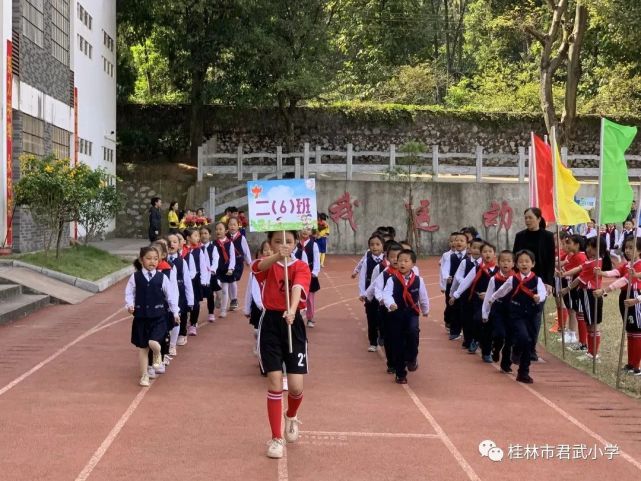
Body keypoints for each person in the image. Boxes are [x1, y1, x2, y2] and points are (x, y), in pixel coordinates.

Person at [252, 231, 311, 459]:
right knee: (275, 382)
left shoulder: (301, 266)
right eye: (278, 241)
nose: (284, 245)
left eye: (288, 241)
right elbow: (257, 268)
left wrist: (293, 310)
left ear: (295, 242)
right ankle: (276, 438)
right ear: (270, 243)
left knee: (295, 387)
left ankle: (291, 415)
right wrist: (277, 256)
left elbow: (297, 287)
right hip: (270, 325)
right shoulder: (268, 264)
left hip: (292, 323)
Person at [486, 249, 547, 383]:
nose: (524, 264)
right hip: (516, 314)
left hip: (530, 314)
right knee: (522, 337)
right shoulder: (512, 279)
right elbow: (502, 290)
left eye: (527, 261)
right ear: (517, 265)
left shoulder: (537, 280)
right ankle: (515, 352)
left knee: (529, 342)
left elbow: (543, 293)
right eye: (521, 262)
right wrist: (492, 298)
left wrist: (539, 297)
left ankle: (523, 372)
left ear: (533, 264)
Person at [125, 246, 179, 387]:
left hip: (159, 317)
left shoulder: (162, 277)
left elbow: (171, 296)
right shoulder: (135, 277)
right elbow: (129, 293)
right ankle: (144, 376)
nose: (152, 261)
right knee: (142, 348)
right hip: (141, 316)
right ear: (141, 260)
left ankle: (157, 354)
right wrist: (129, 305)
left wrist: (175, 312)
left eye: (155, 259)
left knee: (154, 343)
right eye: (148, 258)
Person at [512, 208, 555, 361]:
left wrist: (549, 282)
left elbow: (551, 261)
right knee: (519, 313)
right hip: (521, 280)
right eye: (526, 218)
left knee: (535, 315)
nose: (527, 220)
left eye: (530, 217)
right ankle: (518, 347)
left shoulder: (548, 236)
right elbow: (514, 258)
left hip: (540, 281)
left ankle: (531, 349)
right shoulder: (520, 236)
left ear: (538, 218)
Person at [382, 249, 429, 384]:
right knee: (397, 342)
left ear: (413, 264)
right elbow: (387, 294)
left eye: (406, 261)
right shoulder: (392, 279)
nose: (401, 263)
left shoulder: (419, 280)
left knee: (413, 333)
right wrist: (390, 304)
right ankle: (400, 373)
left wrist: (425, 310)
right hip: (396, 314)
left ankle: (412, 357)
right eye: (400, 260)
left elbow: (423, 297)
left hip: (412, 313)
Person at [596, 237, 641, 375]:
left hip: (635, 296)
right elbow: (617, 273)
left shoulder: (639, 265)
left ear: (639, 250)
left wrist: (605, 290)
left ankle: (636, 366)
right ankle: (630, 363)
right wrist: (602, 273)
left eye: (631, 248)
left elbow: (624, 280)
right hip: (625, 296)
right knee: (629, 330)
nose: (627, 250)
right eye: (626, 248)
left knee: (637, 332)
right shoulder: (627, 265)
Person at [562, 236, 612, 361]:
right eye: (589, 245)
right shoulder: (590, 261)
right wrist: (564, 273)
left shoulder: (595, 264)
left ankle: (593, 354)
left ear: (599, 249)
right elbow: (578, 269)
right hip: (586, 294)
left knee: (592, 324)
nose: (589, 249)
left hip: (590, 294)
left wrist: (567, 289)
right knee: (589, 324)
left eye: (592, 247)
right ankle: (590, 352)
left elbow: (579, 278)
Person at [450, 242, 498, 362]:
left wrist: (490, 296)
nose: (487, 254)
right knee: (477, 319)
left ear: (494, 254)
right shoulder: (477, 268)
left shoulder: (499, 270)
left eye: (490, 251)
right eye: (485, 252)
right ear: (481, 254)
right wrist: (455, 295)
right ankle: (475, 339)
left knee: (490, 327)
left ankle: (486, 353)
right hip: (478, 301)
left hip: (493, 302)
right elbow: (466, 282)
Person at [370, 241, 403, 373]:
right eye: (392, 256)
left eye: (398, 256)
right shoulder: (384, 273)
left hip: (402, 310)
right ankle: (391, 363)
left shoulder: (409, 274)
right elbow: (376, 288)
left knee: (402, 335)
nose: (395, 259)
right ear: (387, 258)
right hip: (387, 310)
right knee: (389, 336)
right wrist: (381, 299)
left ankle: (403, 359)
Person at [482, 250, 515, 372]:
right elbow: (488, 297)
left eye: (508, 261)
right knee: (500, 334)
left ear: (513, 263)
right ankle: (496, 349)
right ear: (498, 263)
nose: (505, 263)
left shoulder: (516, 278)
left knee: (510, 339)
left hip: (512, 312)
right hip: (498, 311)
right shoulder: (494, 279)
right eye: (502, 261)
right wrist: (485, 313)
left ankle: (506, 364)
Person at [450, 238, 484, 350]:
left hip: (478, 296)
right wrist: (454, 293)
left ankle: (477, 339)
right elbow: (457, 276)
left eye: (479, 248)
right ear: (470, 248)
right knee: (466, 317)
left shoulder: (484, 265)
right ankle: (468, 340)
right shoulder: (465, 262)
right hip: (465, 295)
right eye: (474, 247)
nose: (476, 250)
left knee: (477, 318)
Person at [557, 234, 587, 349]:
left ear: (577, 245)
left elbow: (575, 270)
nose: (567, 245)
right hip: (571, 285)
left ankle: (573, 334)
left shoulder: (580, 257)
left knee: (574, 311)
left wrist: (563, 273)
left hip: (576, 286)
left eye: (569, 243)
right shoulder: (573, 256)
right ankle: (571, 332)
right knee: (571, 309)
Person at [245, 241, 272, 364]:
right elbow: (250, 291)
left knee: (267, 332)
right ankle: (257, 343)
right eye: (265, 250)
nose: (268, 252)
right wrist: (247, 308)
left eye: (270, 249)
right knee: (257, 330)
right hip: (258, 306)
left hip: (271, 307)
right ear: (260, 253)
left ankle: (264, 354)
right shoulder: (254, 272)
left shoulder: (277, 269)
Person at [359, 233, 386, 352]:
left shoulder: (387, 261)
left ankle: (382, 335)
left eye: (377, 244)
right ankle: (373, 342)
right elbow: (362, 278)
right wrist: (362, 293)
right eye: (372, 245)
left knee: (383, 317)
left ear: (383, 246)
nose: (374, 247)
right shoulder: (367, 261)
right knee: (371, 318)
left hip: (383, 295)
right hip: (370, 295)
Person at [167, 233, 194, 350]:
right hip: (168, 292)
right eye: (169, 242)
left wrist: (190, 299)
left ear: (179, 246)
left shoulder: (182, 262)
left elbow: (187, 281)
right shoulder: (163, 261)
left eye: (174, 242)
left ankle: (182, 333)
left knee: (181, 313)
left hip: (180, 292)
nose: (171, 244)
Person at [443, 232, 468, 340]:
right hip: (452, 285)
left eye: (461, 240)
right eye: (456, 240)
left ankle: (466, 331)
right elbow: (445, 268)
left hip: (465, 287)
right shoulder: (451, 256)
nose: (458, 242)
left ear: (467, 243)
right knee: (453, 307)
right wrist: (446, 277)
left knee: (464, 308)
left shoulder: (469, 257)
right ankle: (454, 331)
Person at [294, 228, 321, 328]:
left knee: (309, 298)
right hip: (298, 274)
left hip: (310, 274)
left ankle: (310, 318)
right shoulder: (296, 245)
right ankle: (298, 316)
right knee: (298, 296)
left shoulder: (313, 244)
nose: (305, 231)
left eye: (308, 229)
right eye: (303, 229)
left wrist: (315, 272)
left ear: (311, 232)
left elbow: (316, 259)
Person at [184, 228, 208, 336]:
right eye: (195, 236)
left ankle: (193, 324)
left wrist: (204, 280)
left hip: (195, 280)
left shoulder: (199, 250)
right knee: (184, 302)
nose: (198, 238)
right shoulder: (182, 250)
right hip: (183, 280)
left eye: (198, 236)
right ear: (188, 238)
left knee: (196, 303)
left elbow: (203, 266)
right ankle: (183, 322)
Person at [228, 217, 252, 312]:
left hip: (238, 263)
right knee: (228, 281)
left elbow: (246, 250)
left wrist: (249, 261)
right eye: (230, 224)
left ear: (238, 226)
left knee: (232, 279)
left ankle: (234, 299)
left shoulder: (241, 238)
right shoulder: (225, 237)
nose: (232, 226)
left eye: (234, 224)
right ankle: (232, 300)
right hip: (228, 263)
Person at [213, 221, 236, 317]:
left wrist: (231, 268)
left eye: (220, 229)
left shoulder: (229, 243)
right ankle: (218, 297)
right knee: (216, 286)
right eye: (217, 229)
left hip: (226, 269)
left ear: (226, 231)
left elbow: (232, 256)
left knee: (225, 290)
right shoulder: (213, 243)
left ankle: (223, 310)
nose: (218, 231)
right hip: (217, 269)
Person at [199, 225, 221, 323]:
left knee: (209, 295)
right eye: (201, 234)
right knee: (198, 294)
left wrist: (212, 270)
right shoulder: (197, 248)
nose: (203, 236)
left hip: (210, 275)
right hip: (200, 275)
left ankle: (211, 312)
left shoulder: (213, 248)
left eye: (205, 233)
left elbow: (216, 260)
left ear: (210, 235)